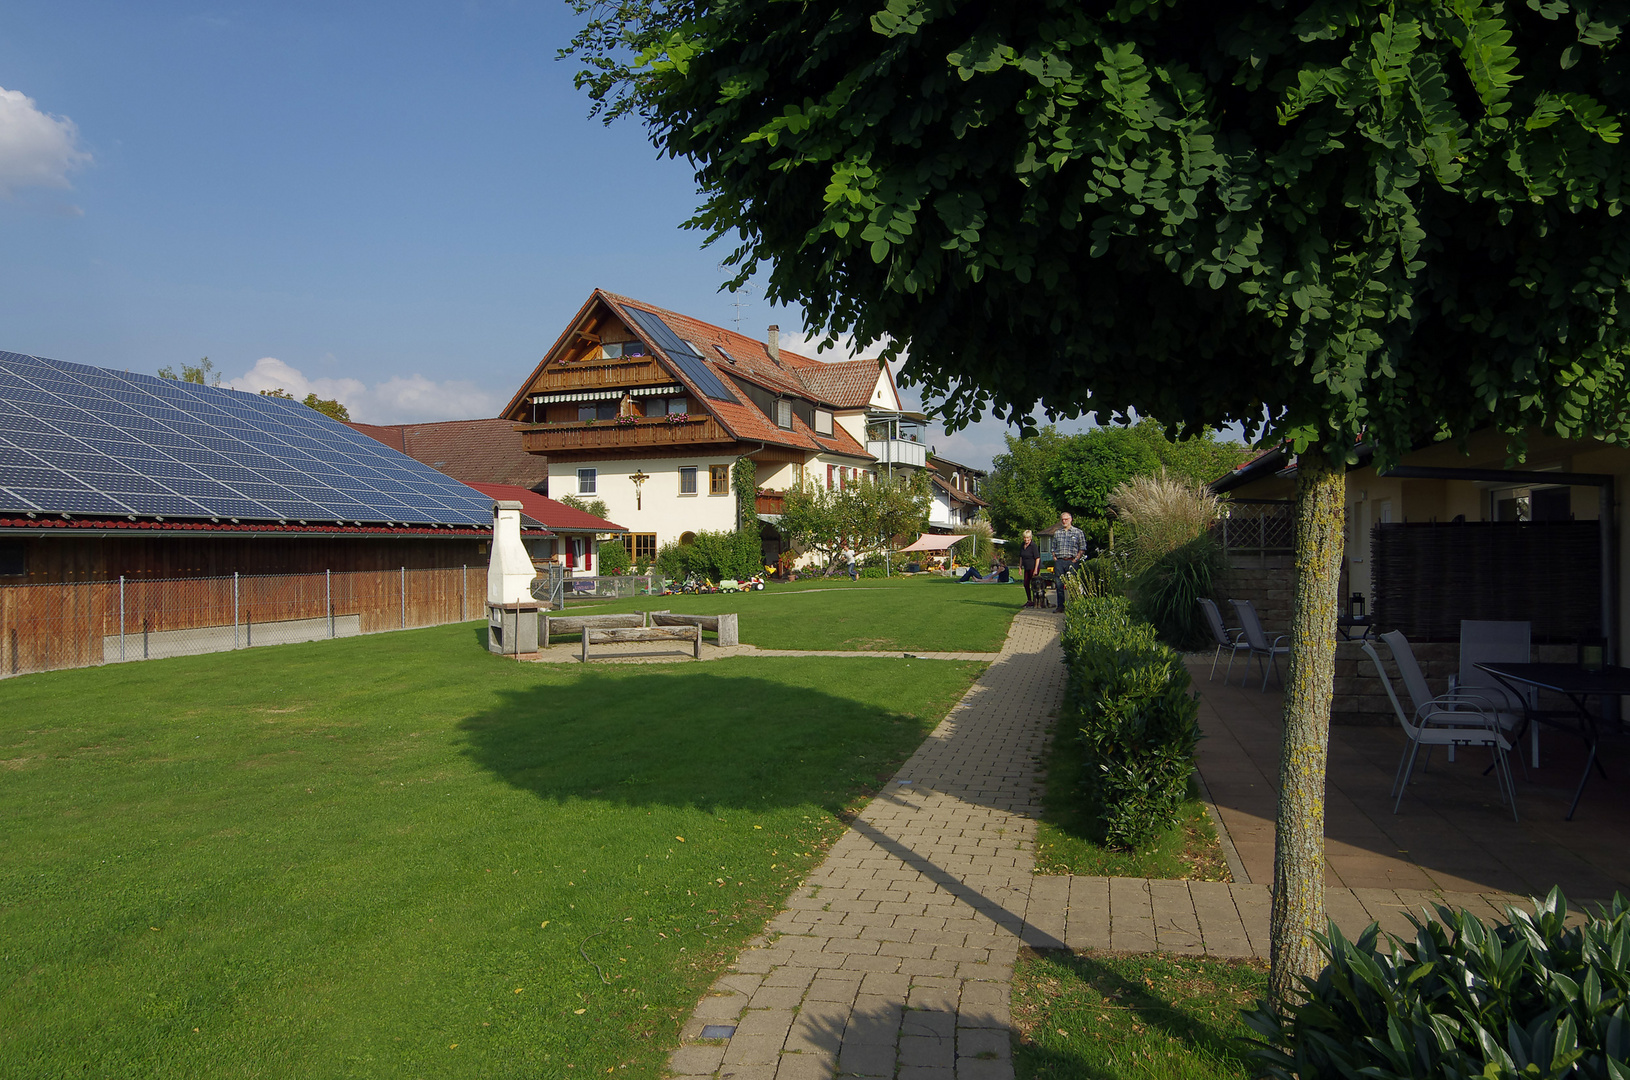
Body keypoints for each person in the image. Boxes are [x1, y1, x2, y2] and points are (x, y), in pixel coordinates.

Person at [1052, 511, 1087, 612]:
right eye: (1062, 519)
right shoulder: (1057, 533)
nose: (1064, 521)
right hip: (1060, 561)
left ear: (1070, 519)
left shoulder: (1078, 532)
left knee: (1072, 585)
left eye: (1066, 519)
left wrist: (1076, 559)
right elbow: (1053, 547)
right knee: (1059, 585)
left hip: (1072, 561)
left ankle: (1074, 606)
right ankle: (1060, 606)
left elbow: (1082, 547)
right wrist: (1055, 557)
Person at [1018, 530, 1040, 606]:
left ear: (1030, 537)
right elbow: (1021, 557)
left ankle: (1036, 601)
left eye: (1027, 538)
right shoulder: (1022, 545)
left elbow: (1037, 558)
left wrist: (1036, 569)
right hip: (1026, 567)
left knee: (1034, 585)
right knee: (1026, 584)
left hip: (1033, 567)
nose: (1026, 539)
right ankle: (1029, 600)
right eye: (1025, 538)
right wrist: (1020, 567)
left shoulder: (1033, 546)